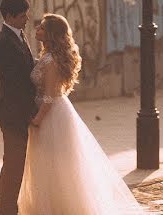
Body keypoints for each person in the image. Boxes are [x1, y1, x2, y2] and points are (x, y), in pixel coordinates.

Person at [18, 13, 146, 215]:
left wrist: (37, 120)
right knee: (49, 163)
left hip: (51, 117)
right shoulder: (47, 56)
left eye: (42, 28)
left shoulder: (51, 60)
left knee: (54, 163)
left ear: (51, 34)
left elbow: (50, 96)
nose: (37, 30)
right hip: (53, 112)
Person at [0, 0, 36, 215]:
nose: (26, 19)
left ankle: (10, 208)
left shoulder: (18, 36)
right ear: (9, 17)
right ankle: (7, 210)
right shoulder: (4, 42)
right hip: (12, 113)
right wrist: (31, 110)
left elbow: (27, 67)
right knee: (12, 164)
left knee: (16, 163)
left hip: (18, 112)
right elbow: (15, 83)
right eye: (22, 16)